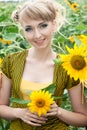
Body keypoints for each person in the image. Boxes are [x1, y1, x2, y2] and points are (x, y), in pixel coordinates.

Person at [0, 0, 87, 130]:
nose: (37, 35)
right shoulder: (11, 61)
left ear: (54, 24)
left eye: (43, 25)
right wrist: (19, 112)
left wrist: (58, 111)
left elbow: (84, 118)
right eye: (29, 29)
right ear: (23, 30)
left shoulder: (69, 66)